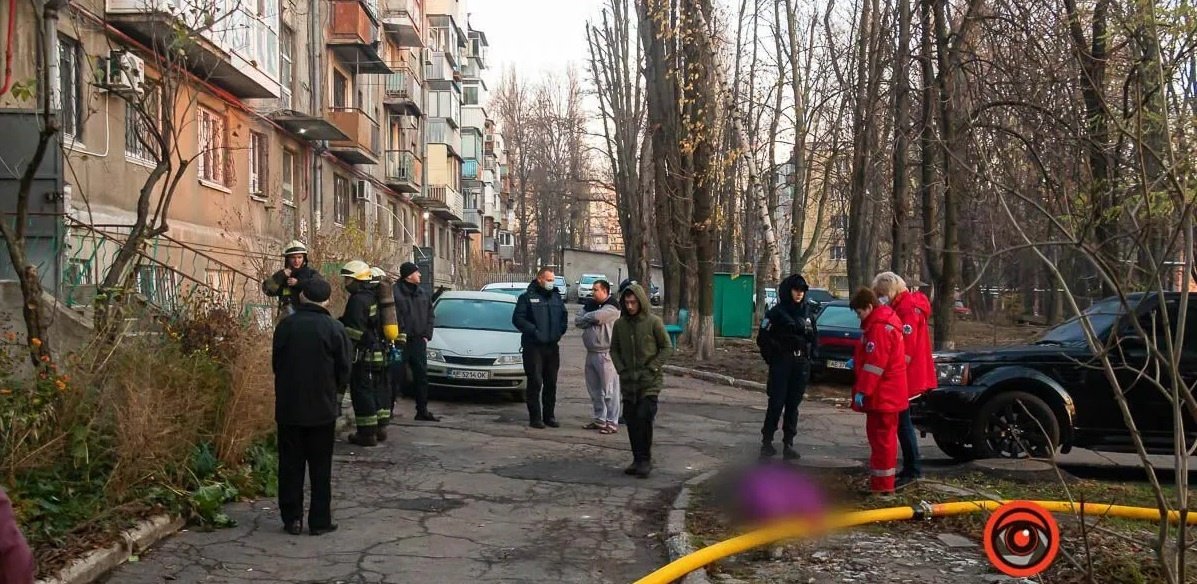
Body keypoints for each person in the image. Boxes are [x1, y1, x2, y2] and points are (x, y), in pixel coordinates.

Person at [271, 277, 352, 536]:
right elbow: (344, 369)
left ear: (302, 296)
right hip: (322, 409)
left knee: (290, 465)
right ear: (327, 300)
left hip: (289, 408)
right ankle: (319, 520)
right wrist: (333, 391)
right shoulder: (334, 329)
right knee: (320, 468)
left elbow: (276, 364)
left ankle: (292, 519)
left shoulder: (286, 326)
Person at [873, 272, 935, 488]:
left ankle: (913, 468)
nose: (881, 299)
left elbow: (906, 350)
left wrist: (891, 374)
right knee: (902, 421)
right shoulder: (908, 306)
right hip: (909, 373)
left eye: (881, 294)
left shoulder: (907, 309)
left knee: (902, 422)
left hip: (906, 375)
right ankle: (911, 467)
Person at [848, 288, 909, 495]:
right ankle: (881, 484)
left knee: (882, 440)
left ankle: (883, 487)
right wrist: (857, 361)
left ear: (869, 307)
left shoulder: (880, 327)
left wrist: (863, 390)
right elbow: (872, 356)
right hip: (888, 393)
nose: (859, 317)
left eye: (859, 312)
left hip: (884, 395)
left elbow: (875, 364)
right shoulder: (882, 323)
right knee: (882, 440)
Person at [611, 283, 672, 478]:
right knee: (631, 420)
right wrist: (621, 369)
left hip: (649, 382)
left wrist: (653, 366)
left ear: (641, 302)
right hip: (629, 382)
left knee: (644, 418)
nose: (630, 306)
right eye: (627, 302)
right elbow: (614, 350)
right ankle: (637, 459)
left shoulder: (653, 322)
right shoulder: (620, 325)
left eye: (633, 302)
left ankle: (645, 459)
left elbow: (666, 347)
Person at [756, 274, 817, 461]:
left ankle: (788, 443)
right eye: (796, 290)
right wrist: (774, 358)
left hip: (800, 364)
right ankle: (767, 441)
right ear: (788, 290)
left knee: (793, 405)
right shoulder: (776, 313)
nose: (799, 294)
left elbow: (814, 338)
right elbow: (763, 338)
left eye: (802, 291)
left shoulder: (807, 312)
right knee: (776, 403)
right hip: (782, 363)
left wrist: (810, 358)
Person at [512, 267, 568, 429]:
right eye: (549, 280)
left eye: (553, 280)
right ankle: (535, 418)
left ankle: (549, 416)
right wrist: (534, 331)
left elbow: (563, 317)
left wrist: (559, 331)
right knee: (535, 382)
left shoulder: (556, 297)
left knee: (551, 383)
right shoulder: (527, 297)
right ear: (540, 279)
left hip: (552, 346)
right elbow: (518, 319)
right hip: (533, 347)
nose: (551, 283)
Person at [340, 260, 388, 446]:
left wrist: (343, 351)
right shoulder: (372, 296)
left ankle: (367, 434)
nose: (346, 283)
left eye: (348, 279)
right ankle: (380, 428)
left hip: (363, 356)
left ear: (357, 280)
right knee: (376, 390)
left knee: (362, 393)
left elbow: (354, 332)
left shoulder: (358, 300)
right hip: (377, 353)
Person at [393, 262, 439, 422]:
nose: (419, 274)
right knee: (395, 375)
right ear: (408, 276)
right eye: (416, 272)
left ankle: (422, 411)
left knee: (421, 376)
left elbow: (430, 315)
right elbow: (393, 315)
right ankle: (387, 410)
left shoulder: (422, 293)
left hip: (418, 340)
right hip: (400, 341)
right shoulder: (395, 293)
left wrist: (427, 335)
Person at [575, 279, 621, 434]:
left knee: (610, 390)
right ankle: (600, 419)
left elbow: (599, 317)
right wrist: (590, 317)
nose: (592, 293)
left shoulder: (612, 306)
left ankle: (612, 422)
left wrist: (588, 317)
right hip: (591, 352)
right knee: (594, 389)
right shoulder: (590, 305)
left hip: (606, 353)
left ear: (605, 291)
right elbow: (578, 320)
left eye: (596, 290)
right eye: (592, 290)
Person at [262, 240, 317, 316]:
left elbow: (321, 289)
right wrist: (281, 275)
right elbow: (267, 290)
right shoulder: (283, 275)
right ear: (287, 259)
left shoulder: (311, 273)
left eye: (299, 257)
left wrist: (298, 283)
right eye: (293, 258)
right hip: (288, 316)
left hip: (308, 315)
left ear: (304, 258)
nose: (296, 261)